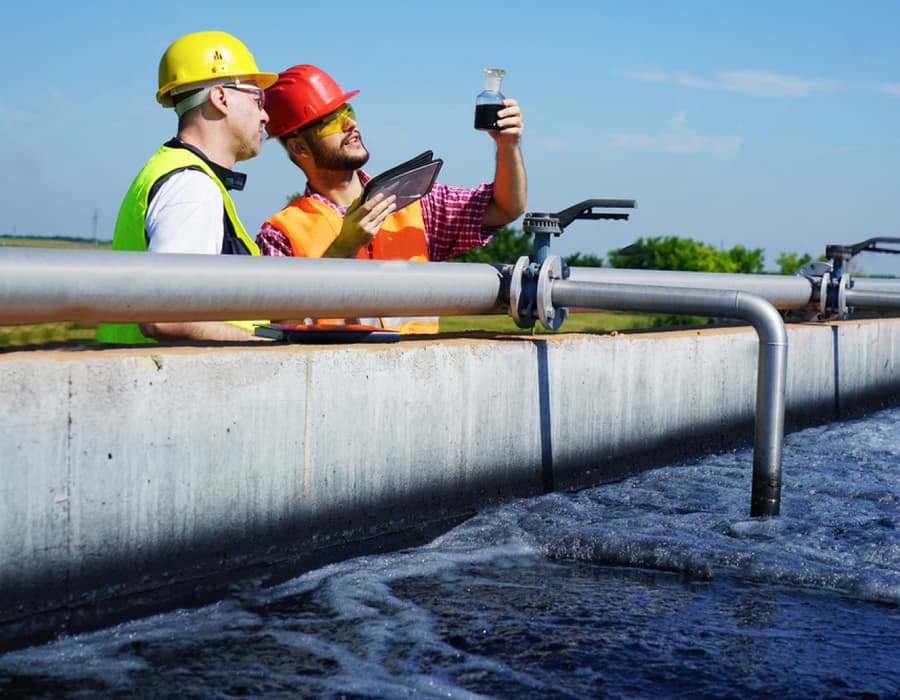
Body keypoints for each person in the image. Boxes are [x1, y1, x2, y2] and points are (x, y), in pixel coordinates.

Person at [257, 64, 527, 334]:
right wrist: (343, 248)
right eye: (331, 121)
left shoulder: (415, 199)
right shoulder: (279, 234)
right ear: (299, 147)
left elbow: (505, 207)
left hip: (419, 371)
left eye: (347, 111)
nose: (350, 124)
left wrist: (508, 146)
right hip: (339, 374)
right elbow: (284, 327)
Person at [96, 30, 277, 344]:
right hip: (163, 384)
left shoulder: (172, 171)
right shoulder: (191, 187)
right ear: (220, 98)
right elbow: (164, 315)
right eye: (257, 98)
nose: (265, 115)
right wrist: (261, 346)